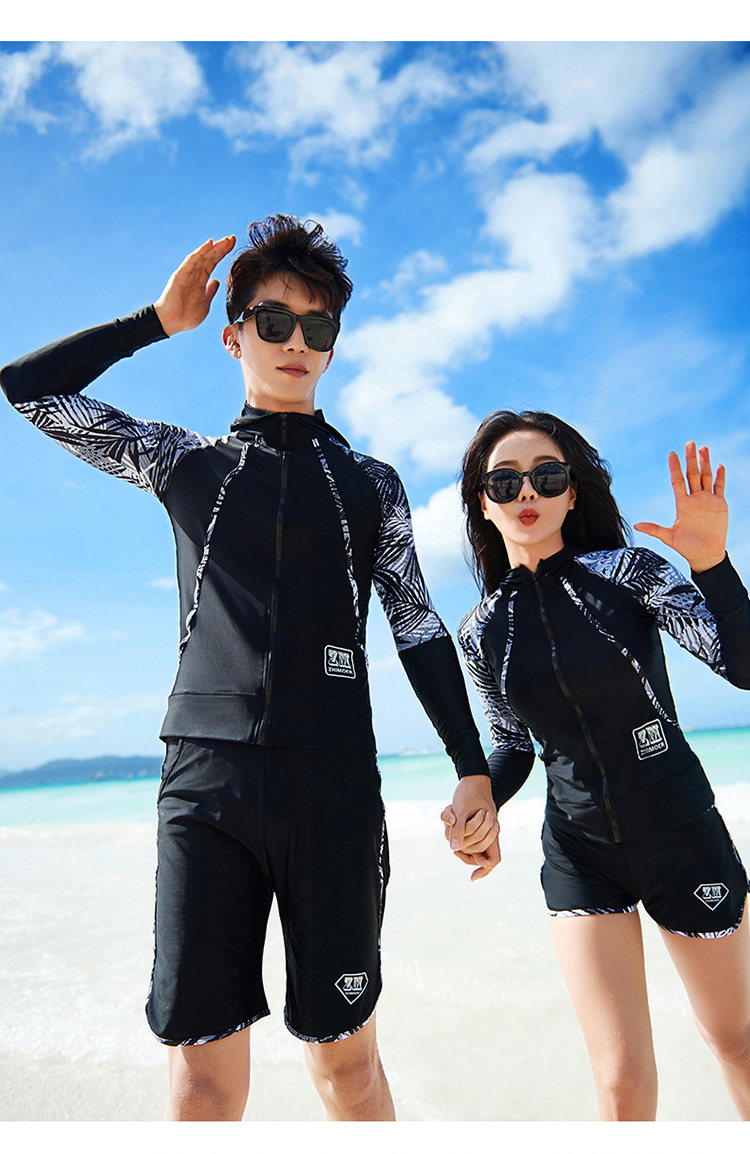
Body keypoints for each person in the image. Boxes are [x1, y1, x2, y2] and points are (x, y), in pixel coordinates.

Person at [1, 216, 497, 1122]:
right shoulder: (184, 461)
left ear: (333, 346)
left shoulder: (372, 485)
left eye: (318, 326)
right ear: (235, 336)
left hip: (333, 787)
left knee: (347, 1066)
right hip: (207, 784)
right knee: (201, 1079)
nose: (297, 342)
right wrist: (154, 323)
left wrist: (472, 767)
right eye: (274, 321)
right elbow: (27, 389)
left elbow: (417, 625)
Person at [442, 408, 750, 1120]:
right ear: (483, 503)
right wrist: (478, 797)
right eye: (506, 481)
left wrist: (712, 564)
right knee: (619, 1083)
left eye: (548, 476)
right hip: (580, 852)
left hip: (680, 832)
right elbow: (512, 743)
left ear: (572, 493)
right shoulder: (481, 630)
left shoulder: (631, 573)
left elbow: (742, 667)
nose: (528, 491)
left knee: (736, 1042)